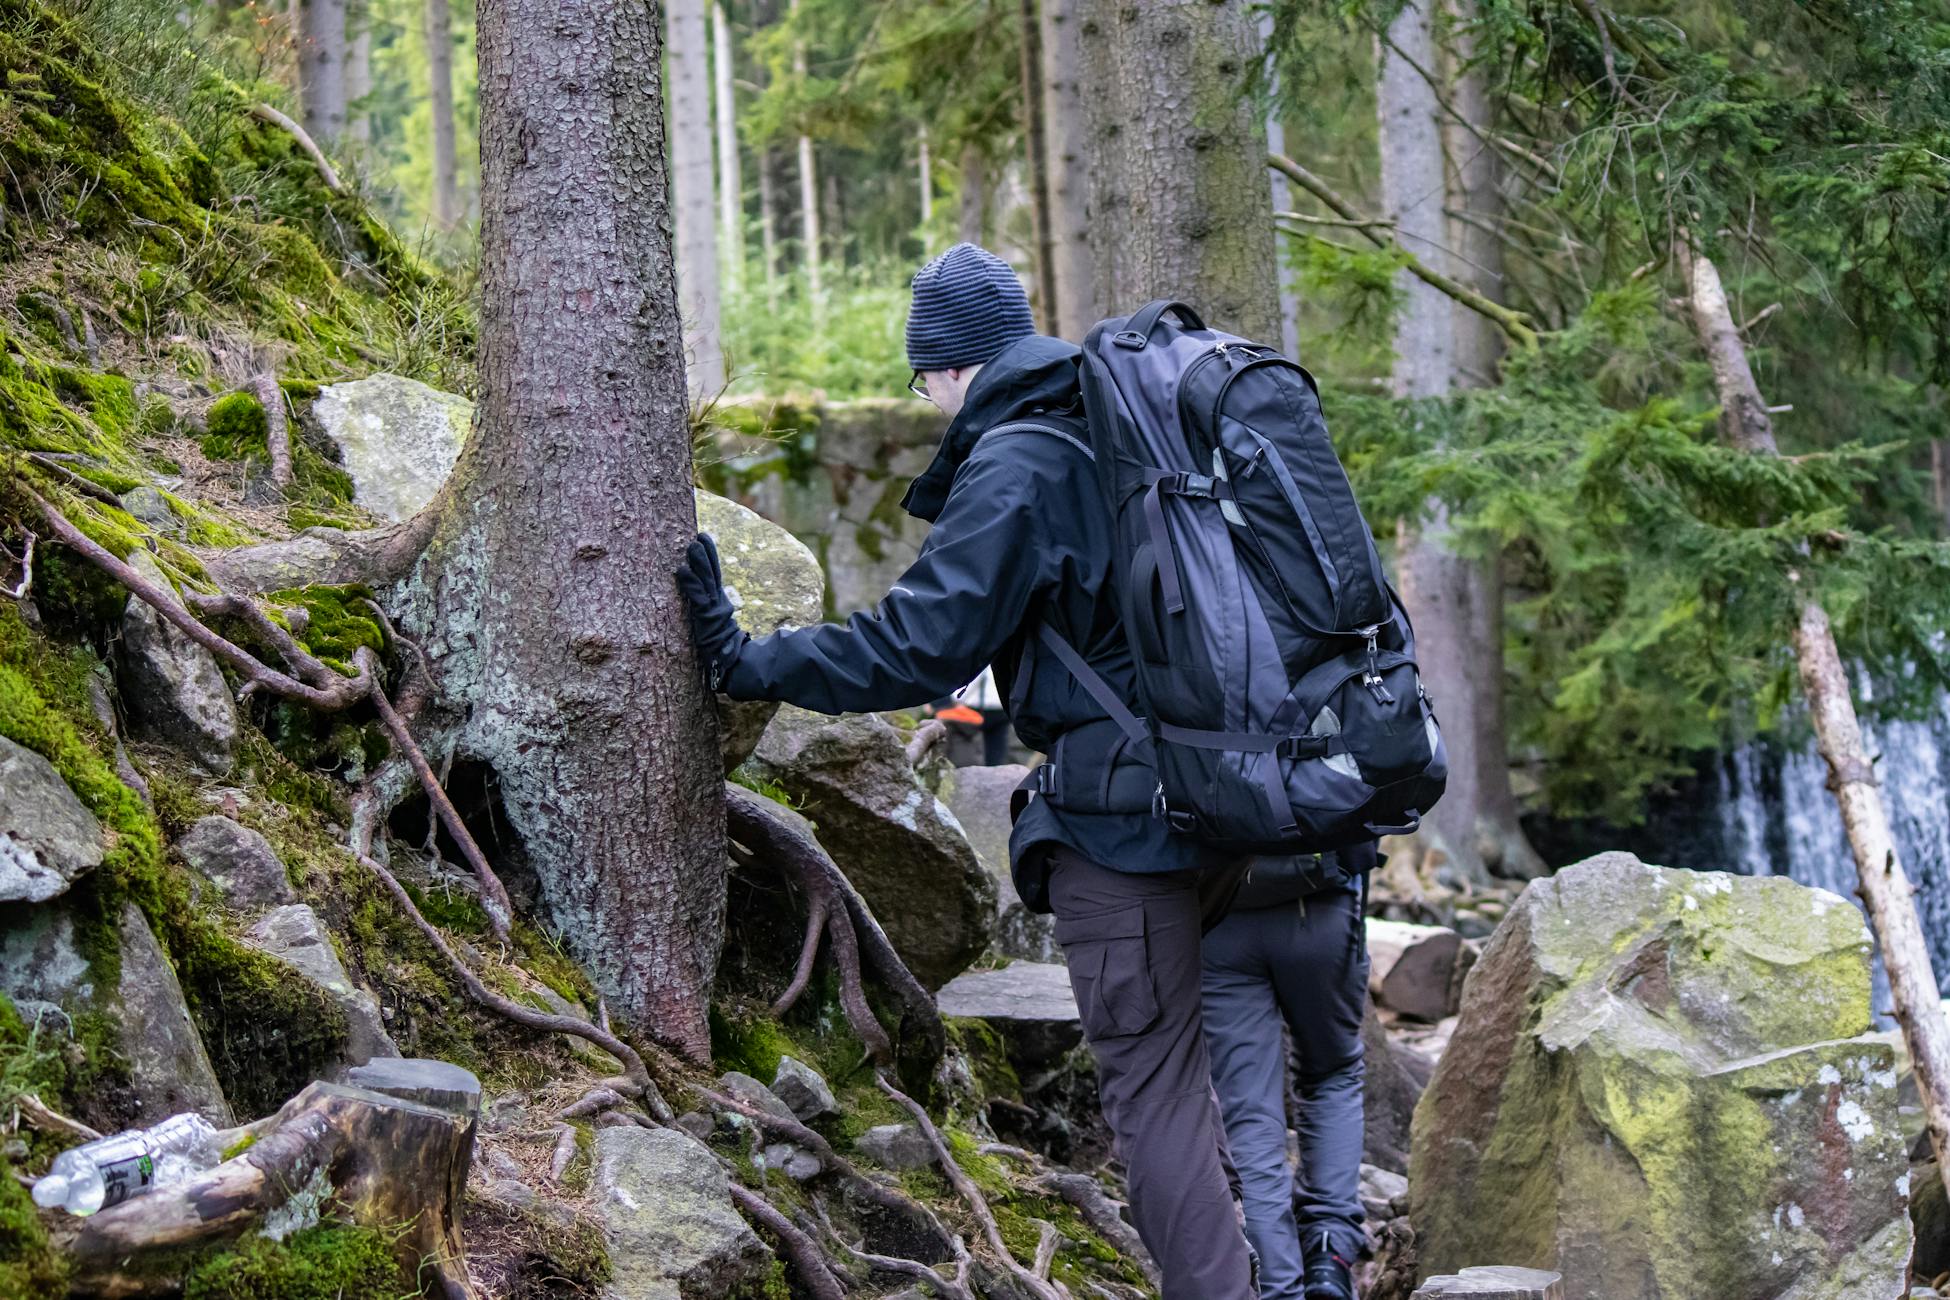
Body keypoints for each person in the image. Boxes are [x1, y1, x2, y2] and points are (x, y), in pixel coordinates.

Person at [676, 242, 1258, 1298]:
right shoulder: (1119, 431)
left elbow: (918, 644)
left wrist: (745, 656)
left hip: (1127, 824)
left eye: (923, 380)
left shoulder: (1020, 460)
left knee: (1157, 1101)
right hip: (1223, 793)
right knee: (1194, 1079)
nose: (931, 403)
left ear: (950, 368)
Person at [1202, 847, 1375, 1300]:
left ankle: (1277, 1288)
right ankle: (1329, 1259)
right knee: (1331, 1074)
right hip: (1321, 903)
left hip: (1221, 910)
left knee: (1248, 1115)